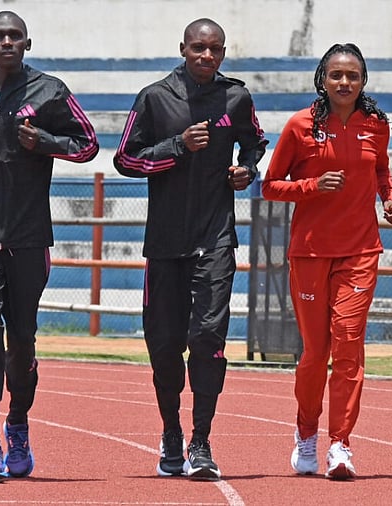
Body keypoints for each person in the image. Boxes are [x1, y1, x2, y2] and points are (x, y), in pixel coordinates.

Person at [0, 11, 99, 483]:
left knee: (21, 341)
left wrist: (45, 141)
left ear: (27, 43)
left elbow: (89, 144)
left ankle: (18, 423)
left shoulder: (49, 90)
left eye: (14, 36)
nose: (6, 42)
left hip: (30, 236)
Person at [113, 18, 267, 481]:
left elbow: (255, 145)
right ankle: (171, 435)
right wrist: (177, 146)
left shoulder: (236, 98)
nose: (207, 56)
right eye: (198, 48)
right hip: (164, 244)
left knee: (207, 339)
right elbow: (125, 160)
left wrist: (247, 171)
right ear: (182, 48)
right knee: (164, 348)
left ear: (223, 53)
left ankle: (202, 440)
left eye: (215, 49)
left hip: (216, 238)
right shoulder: (154, 97)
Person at [262, 43, 392, 480]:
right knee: (314, 353)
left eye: (353, 76)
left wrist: (390, 199)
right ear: (323, 78)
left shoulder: (376, 125)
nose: (345, 83)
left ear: (364, 81)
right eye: (337, 75)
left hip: (360, 250)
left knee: (348, 347)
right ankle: (306, 434)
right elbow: (270, 186)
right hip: (309, 251)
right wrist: (312, 186)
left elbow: (381, 170)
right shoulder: (300, 126)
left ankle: (340, 444)